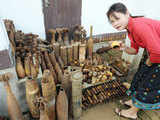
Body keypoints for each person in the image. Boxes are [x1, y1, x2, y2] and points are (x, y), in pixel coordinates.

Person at [107, 2, 160, 120]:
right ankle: (135, 102)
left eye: (117, 19)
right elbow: (134, 50)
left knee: (148, 83)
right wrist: (124, 48)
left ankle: (132, 112)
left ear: (127, 13)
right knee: (140, 75)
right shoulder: (130, 29)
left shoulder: (138, 26)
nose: (114, 24)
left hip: (158, 54)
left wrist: (148, 63)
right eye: (112, 22)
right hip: (156, 53)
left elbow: (157, 52)